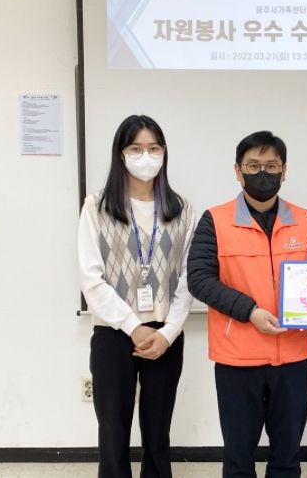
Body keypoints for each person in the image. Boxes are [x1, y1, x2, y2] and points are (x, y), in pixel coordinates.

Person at [186, 131, 307, 478]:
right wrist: (250, 311)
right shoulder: (215, 219)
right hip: (237, 359)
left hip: (293, 358)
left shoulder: (305, 219)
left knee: (287, 459)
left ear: (284, 171)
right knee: (238, 460)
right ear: (238, 171)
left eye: (271, 166)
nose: (263, 173)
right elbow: (199, 279)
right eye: (253, 166)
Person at [78, 115, 196, 478]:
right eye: (136, 148)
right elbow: (91, 279)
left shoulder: (182, 209)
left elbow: (190, 278)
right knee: (112, 434)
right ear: (121, 154)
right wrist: (133, 326)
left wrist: (168, 332)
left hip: (165, 336)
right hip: (114, 334)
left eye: (154, 148)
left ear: (164, 153)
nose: (146, 156)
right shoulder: (96, 207)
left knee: (158, 435)